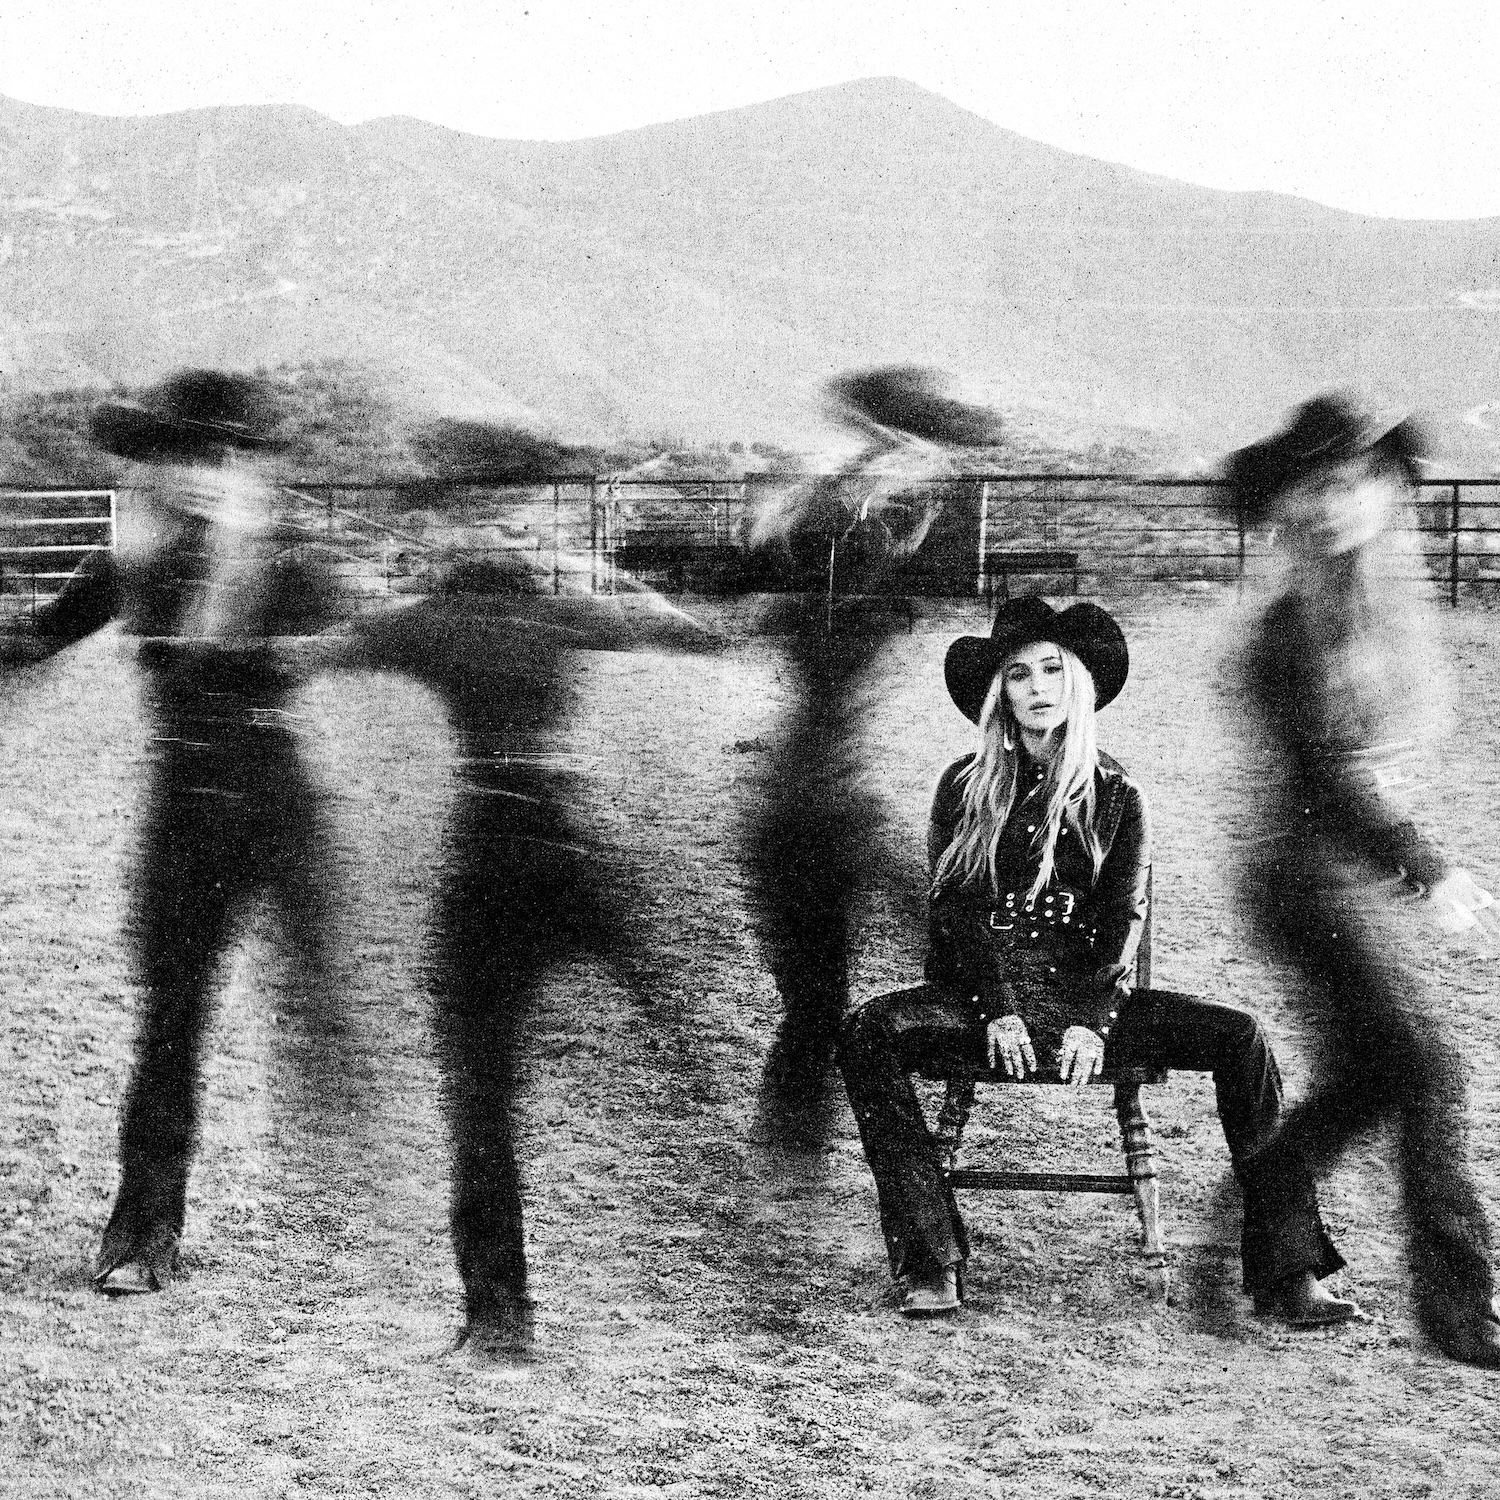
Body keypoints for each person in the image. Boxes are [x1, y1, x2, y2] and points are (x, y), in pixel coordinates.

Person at [839, 596, 1354, 1321]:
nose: (1038, 688)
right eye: (1019, 675)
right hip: (979, 1002)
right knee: (866, 1030)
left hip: (1086, 1000)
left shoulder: (1118, 794)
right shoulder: (963, 784)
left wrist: (1091, 1020)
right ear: (1000, 694)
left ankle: (1288, 1272)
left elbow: (1122, 919)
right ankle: (931, 1258)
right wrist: (999, 1009)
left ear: (1078, 683)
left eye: (1053, 670)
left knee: (1242, 1037)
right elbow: (952, 909)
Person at [0, 368, 345, 1296]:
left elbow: (345, 679)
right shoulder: (135, 558)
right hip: (186, 815)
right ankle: (143, 1231)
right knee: (172, 1019)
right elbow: (38, 642)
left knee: (343, 1007)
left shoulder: (296, 561)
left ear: (247, 467)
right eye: (179, 455)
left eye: (218, 455)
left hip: (282, 810)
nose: (197, 473)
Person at [1226, 394, 1500, 1368]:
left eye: (1353, 486)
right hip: (1300, 883)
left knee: (1369, 1077)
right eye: (1317, 491)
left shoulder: (1355, 606)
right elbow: (1329, 783)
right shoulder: (1290, 632)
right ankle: (1461, 1313)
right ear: (1296, 506)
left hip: (1320, 875)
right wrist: (1427, 869)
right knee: (1427, 1068)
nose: (1339, 506)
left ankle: (1265, 1205)